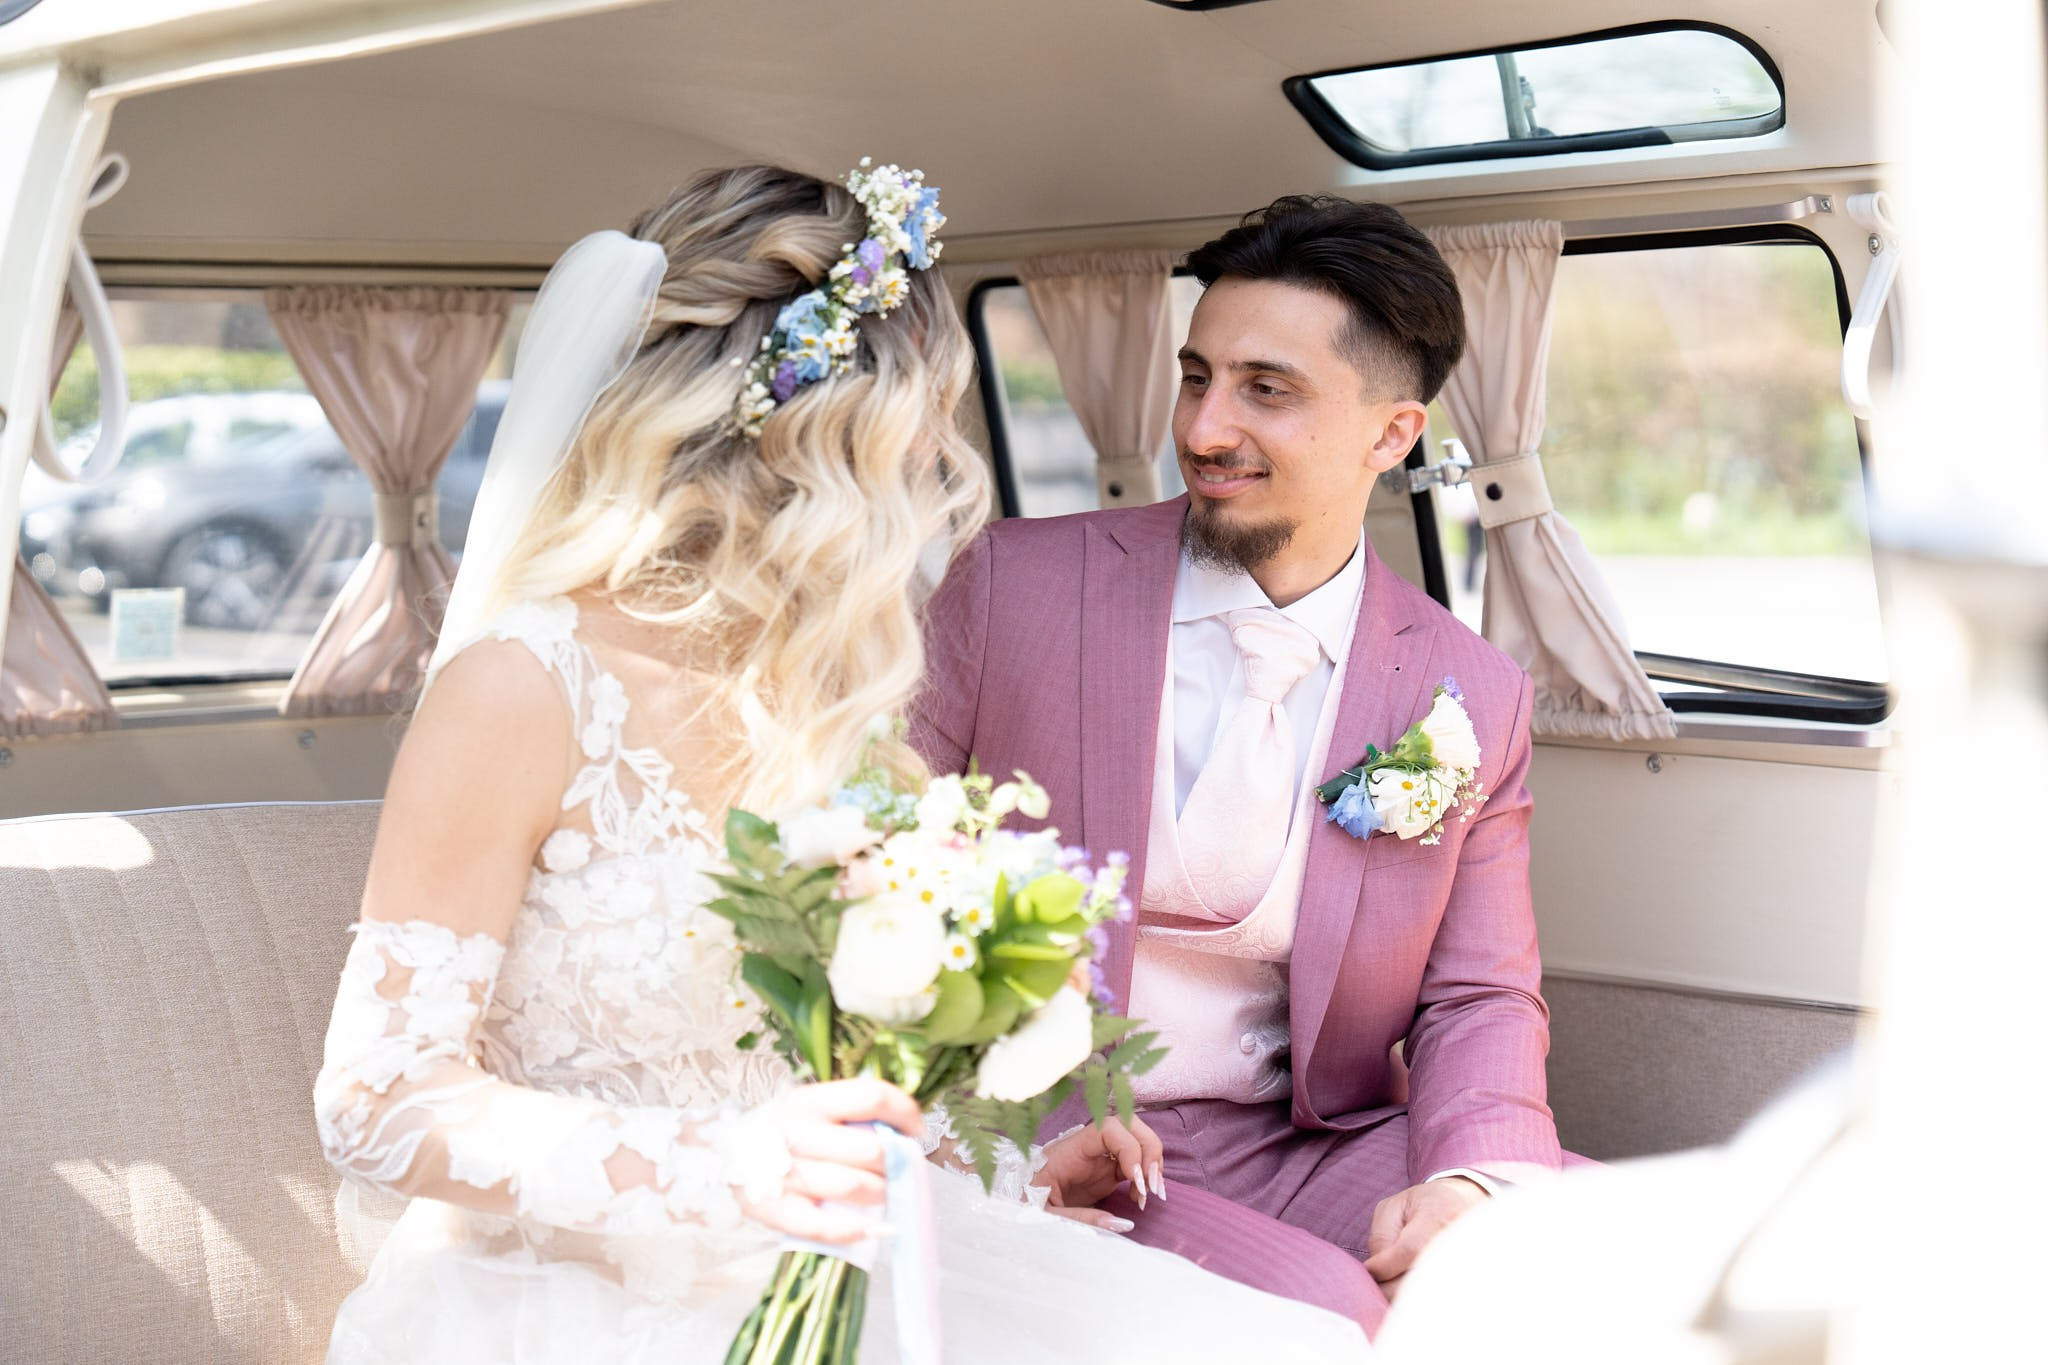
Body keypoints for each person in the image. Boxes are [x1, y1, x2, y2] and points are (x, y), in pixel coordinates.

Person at [310, 163, 1371, 1363]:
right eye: (921, 419)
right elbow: (374, 1102)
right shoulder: (520, 684)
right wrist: (729, 1172)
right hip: (578, 1298)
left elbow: (811, 1071)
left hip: (847, 1258)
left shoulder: (836, 696)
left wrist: (999, 1174)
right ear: (822, 436)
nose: (935, 459)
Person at [914, 195, 1574, 1339]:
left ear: (1388, 435)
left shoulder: (1468, 690)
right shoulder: (1007, 586)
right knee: (1329, 1318)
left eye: (1265, 391)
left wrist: (1471, 1181)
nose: (1205, 427)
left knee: (1589, 1250)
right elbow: (872, 863)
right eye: (1194, 377)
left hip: (1306, 1137)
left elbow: (1477, 991)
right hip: (1057, 1127)